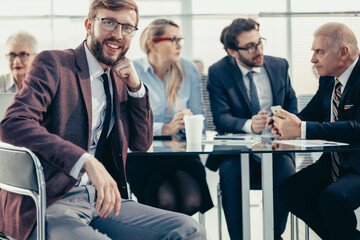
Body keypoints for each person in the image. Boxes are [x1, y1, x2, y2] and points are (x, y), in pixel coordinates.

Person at [0, 1, 206, 240]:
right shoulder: (54, 63)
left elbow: (142, 143)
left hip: (103, 201)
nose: (118, 34)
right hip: (52, 200)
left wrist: (136, 89)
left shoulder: (120, 77)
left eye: (127, 27)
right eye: (108, 22)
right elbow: (13, 123)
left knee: (189, 230)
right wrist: (84, 160)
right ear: (89, 25)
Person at [206, 18, 298, 240]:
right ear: (232, 51)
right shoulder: (218, 71)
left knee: (287, 175)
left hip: (276, 147)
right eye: (249, 47)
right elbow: (221, 117)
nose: (258, 51)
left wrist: (287, 124)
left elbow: (292, 104)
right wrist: (248, 125)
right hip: (238, 151)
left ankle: (274, 235)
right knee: (230, 175)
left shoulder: (279, 65)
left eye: (259, 42)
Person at [271, 22, 360, 240]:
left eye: (319, 52)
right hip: (334, 163)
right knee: (290, 191)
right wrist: (285, 122)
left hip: (358, 165)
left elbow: (357, 128)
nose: (313, 59)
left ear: (343, 52)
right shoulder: (329, 81)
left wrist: (300, 129)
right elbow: (308, 116)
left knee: (332, 199)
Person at [126, 18, 213, 216]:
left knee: (192, 201)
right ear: (152, 44)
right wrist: (163, 129)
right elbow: (127, 123)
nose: (179, 45)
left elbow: (202, 120)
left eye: (180, 39)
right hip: (143, 156)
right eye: (173, 39)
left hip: (181, 153)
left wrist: (188, 121)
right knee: (164, 201)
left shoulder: (188, 69)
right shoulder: (132, 71)